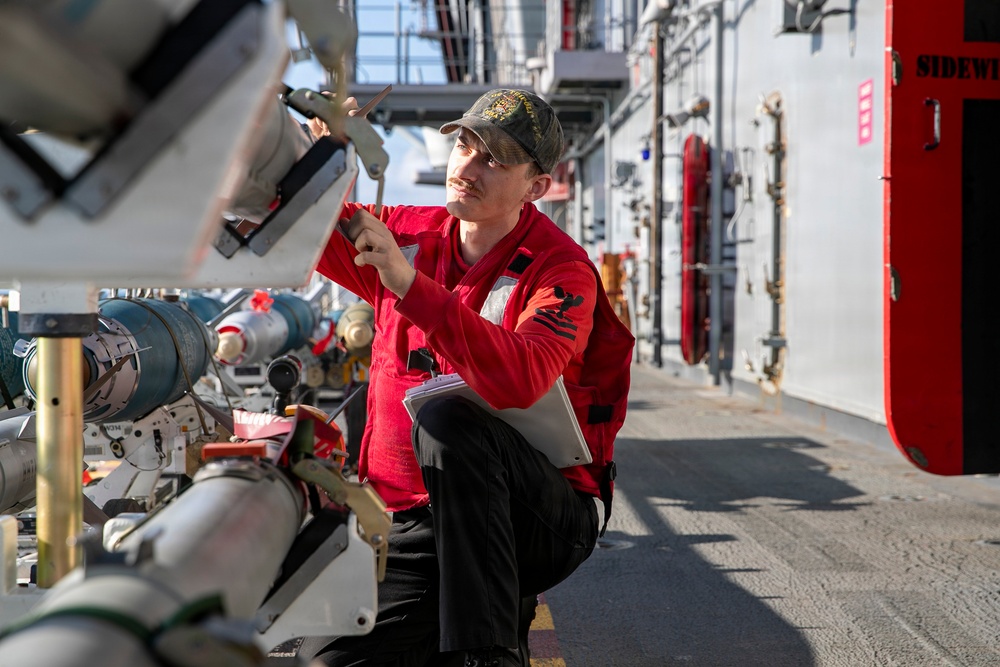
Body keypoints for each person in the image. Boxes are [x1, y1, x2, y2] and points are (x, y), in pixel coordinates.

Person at [300, 89, 634, 667]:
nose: (469, 167)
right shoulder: (408, 234)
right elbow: (295, 230)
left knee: (448, 417)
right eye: (466, 145)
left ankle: (487, 652)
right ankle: (481, 622)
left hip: (530, 516)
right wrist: (317, 162)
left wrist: (409, 286)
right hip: (407, 525)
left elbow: (523, 376)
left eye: (496, 159)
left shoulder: (561, 270)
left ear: (535, 186)